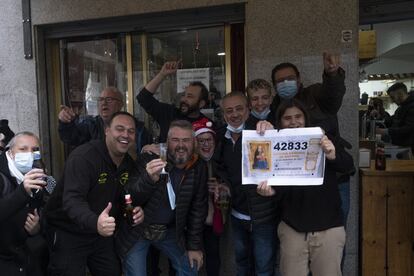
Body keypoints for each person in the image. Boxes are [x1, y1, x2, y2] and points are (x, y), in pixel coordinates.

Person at [256, 99, 354, 276]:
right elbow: (280, 192)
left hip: (328, 228)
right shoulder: (275, 146)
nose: (293, 122)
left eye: (298, 116)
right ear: (281, 122)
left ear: (306, 118)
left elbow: (348, 166)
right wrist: (271, 192)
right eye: (287, 118)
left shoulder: (322, 138)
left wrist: (333, 155)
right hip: (293, 228)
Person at [45, 111, 144, 276]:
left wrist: (133, 211)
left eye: (131, 131)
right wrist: (95, 221)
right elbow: (72, 201)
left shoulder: (128, 164)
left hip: (100, 234)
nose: (125, 134)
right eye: (119, 129)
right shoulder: (84, 157)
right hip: (68, 231)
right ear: (107, 130)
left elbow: (126, 197)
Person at [116, 120, 208, 276]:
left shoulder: (198, 166)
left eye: (185, 140)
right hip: (138, 231)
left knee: (189, 268)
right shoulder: (149, 158)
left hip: (170, 231)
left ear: (193, 143)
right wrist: (149, 178)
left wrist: (193, 246)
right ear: (166, 142)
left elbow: (198, 209)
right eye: (175, 140)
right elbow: (129, 195)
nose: (180, 145)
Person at [213, 92, 278, 276]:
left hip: (262, 216)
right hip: (236, 214)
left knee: (264, 267)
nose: (234, 114)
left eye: (239, 109)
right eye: (229, 110)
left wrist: (271, 132)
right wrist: (222, 184)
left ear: (248, 110)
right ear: (224, 114)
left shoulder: (262, 133)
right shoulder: (220, 137)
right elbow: (219, 167)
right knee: (241, 263)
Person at [0, 132, 46, 275]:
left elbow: (53, 205)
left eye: (34, 150)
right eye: (23, 149)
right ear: (11, 153)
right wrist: (22, 192)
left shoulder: (40, 172)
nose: (29, 154)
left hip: (28, 257)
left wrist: (38, 227)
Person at [58, 86, 152, 154]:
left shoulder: (137, 128)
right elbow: (70, 138)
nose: (104, 103)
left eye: (109, 99)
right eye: (101, 99)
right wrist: (65, 122)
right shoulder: (90, 124)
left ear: (121, 104)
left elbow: (145, 153)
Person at [136, 61, 210, 142]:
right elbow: (143, 97)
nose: (184, 99)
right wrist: (162, 74)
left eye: (189, 96)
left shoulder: (208, 125)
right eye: (183, 95)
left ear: (201, 103)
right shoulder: (169, 113)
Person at [192, 117, 229, 276]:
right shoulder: (189, 163)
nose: (206, 144)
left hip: (213, 220)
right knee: (192, 259)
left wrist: (222, 190)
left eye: (209, 140)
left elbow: (229, 192)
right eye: (201, 141)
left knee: (214, 257)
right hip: (192, 221)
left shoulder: (221, 162)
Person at [377, 82, 414, 153]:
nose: (392, 101)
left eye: (392, 97)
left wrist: (385, 131)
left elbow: (408, 129)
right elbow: (392, 120)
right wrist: (380, 117)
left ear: (400, 94)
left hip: (409, 149)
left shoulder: (411, 107)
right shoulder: (402, 107)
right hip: (401, 146)